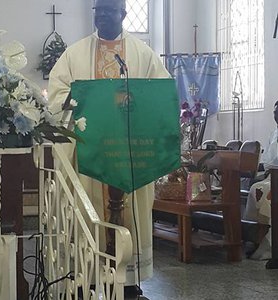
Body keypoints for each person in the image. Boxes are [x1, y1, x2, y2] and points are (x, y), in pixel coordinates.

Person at [48, 0, 170, 293]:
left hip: (129, 153)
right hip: (90, 153)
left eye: (108, 11)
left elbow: (161, 91)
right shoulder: (74, 54)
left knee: (129, 215)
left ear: (123, 14)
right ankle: (87, 277)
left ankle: (128, 281)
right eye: (98, 11)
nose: (101, 16)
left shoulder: (142, 54)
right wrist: (82, 99)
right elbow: (57, 93)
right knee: (88, 210)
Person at [243, 100, 278, 259]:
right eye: (275, 112)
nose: (276, 115)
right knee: (256, 188)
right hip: (272, 176)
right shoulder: (274, 133)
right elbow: (269, 159)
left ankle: (269, 244)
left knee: (266, 193)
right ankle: (251, 235)